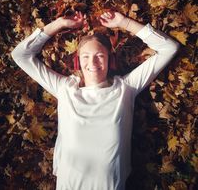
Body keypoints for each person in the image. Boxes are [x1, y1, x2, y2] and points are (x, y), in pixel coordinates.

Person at [11, 10, 179, 190]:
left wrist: (125, 23)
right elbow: (20, 55)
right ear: (77, 62)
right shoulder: (65, 88)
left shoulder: (126, 88)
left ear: (110, 61)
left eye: (100, 56)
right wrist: (59, 24)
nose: (92, 63)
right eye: (85, 57)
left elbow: (169, 48)